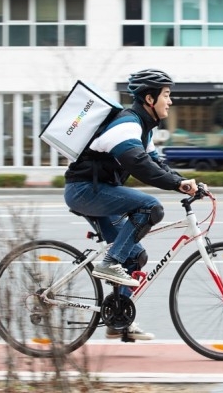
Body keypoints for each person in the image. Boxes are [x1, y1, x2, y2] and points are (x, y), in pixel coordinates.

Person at [63, 68, 197, 341]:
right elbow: (137, 164)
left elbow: (156, 164)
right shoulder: (128, 124)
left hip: (100, 192)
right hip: (85, 190)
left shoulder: (143, 129)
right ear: (150, 99)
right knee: (150, 208)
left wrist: (185, 181)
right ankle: (108, 262)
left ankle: (118, 320)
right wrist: (174, 185)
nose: (170, 101)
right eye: (167, 95)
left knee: (135, 256)